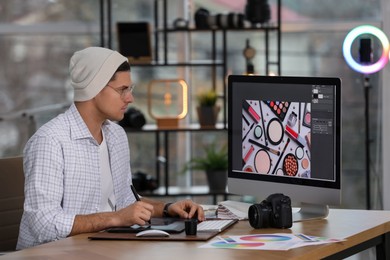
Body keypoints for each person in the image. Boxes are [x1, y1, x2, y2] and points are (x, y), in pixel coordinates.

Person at [16, 47, 205, 250]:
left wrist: (167, 209)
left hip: (98, 249)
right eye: (122, 89)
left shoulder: (116, 135)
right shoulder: (50, 141)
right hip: (49, 254)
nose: (130, 98)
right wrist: (115, 218)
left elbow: (125, 201)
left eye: (129, 89)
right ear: (95, 88)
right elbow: (42, 224)